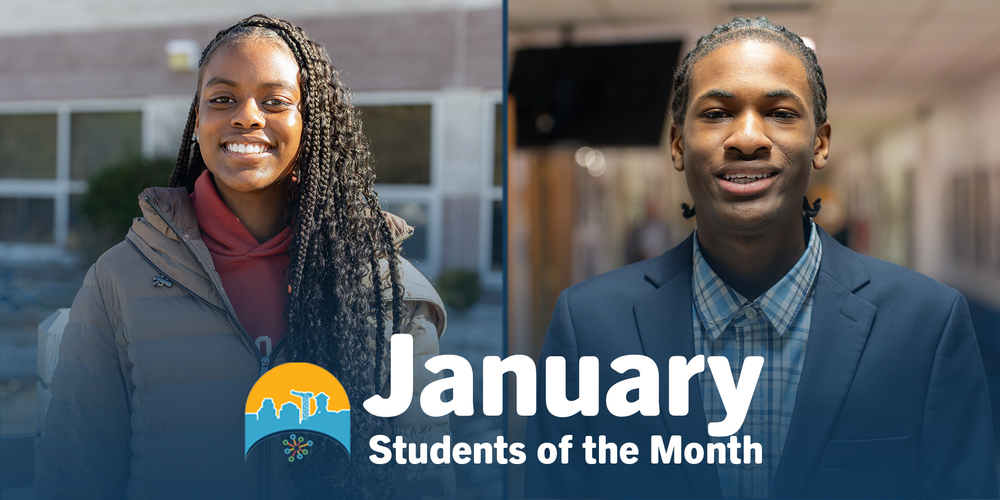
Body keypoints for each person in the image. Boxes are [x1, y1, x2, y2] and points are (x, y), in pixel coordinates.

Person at [527, 17, 997, 499]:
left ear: (820, 144)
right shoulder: (589, 327)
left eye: (780, 113)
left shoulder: (927, 326)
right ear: (678, 145)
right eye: (716, 113)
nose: (748, 138)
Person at [38, 15, 452, 499]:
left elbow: (424, 482)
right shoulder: (119, 280)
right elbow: (76, 475)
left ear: (311, 123)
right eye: (222, 99)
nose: (247, 116)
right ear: (198, 121)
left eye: (275, 101)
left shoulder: (386, 290)